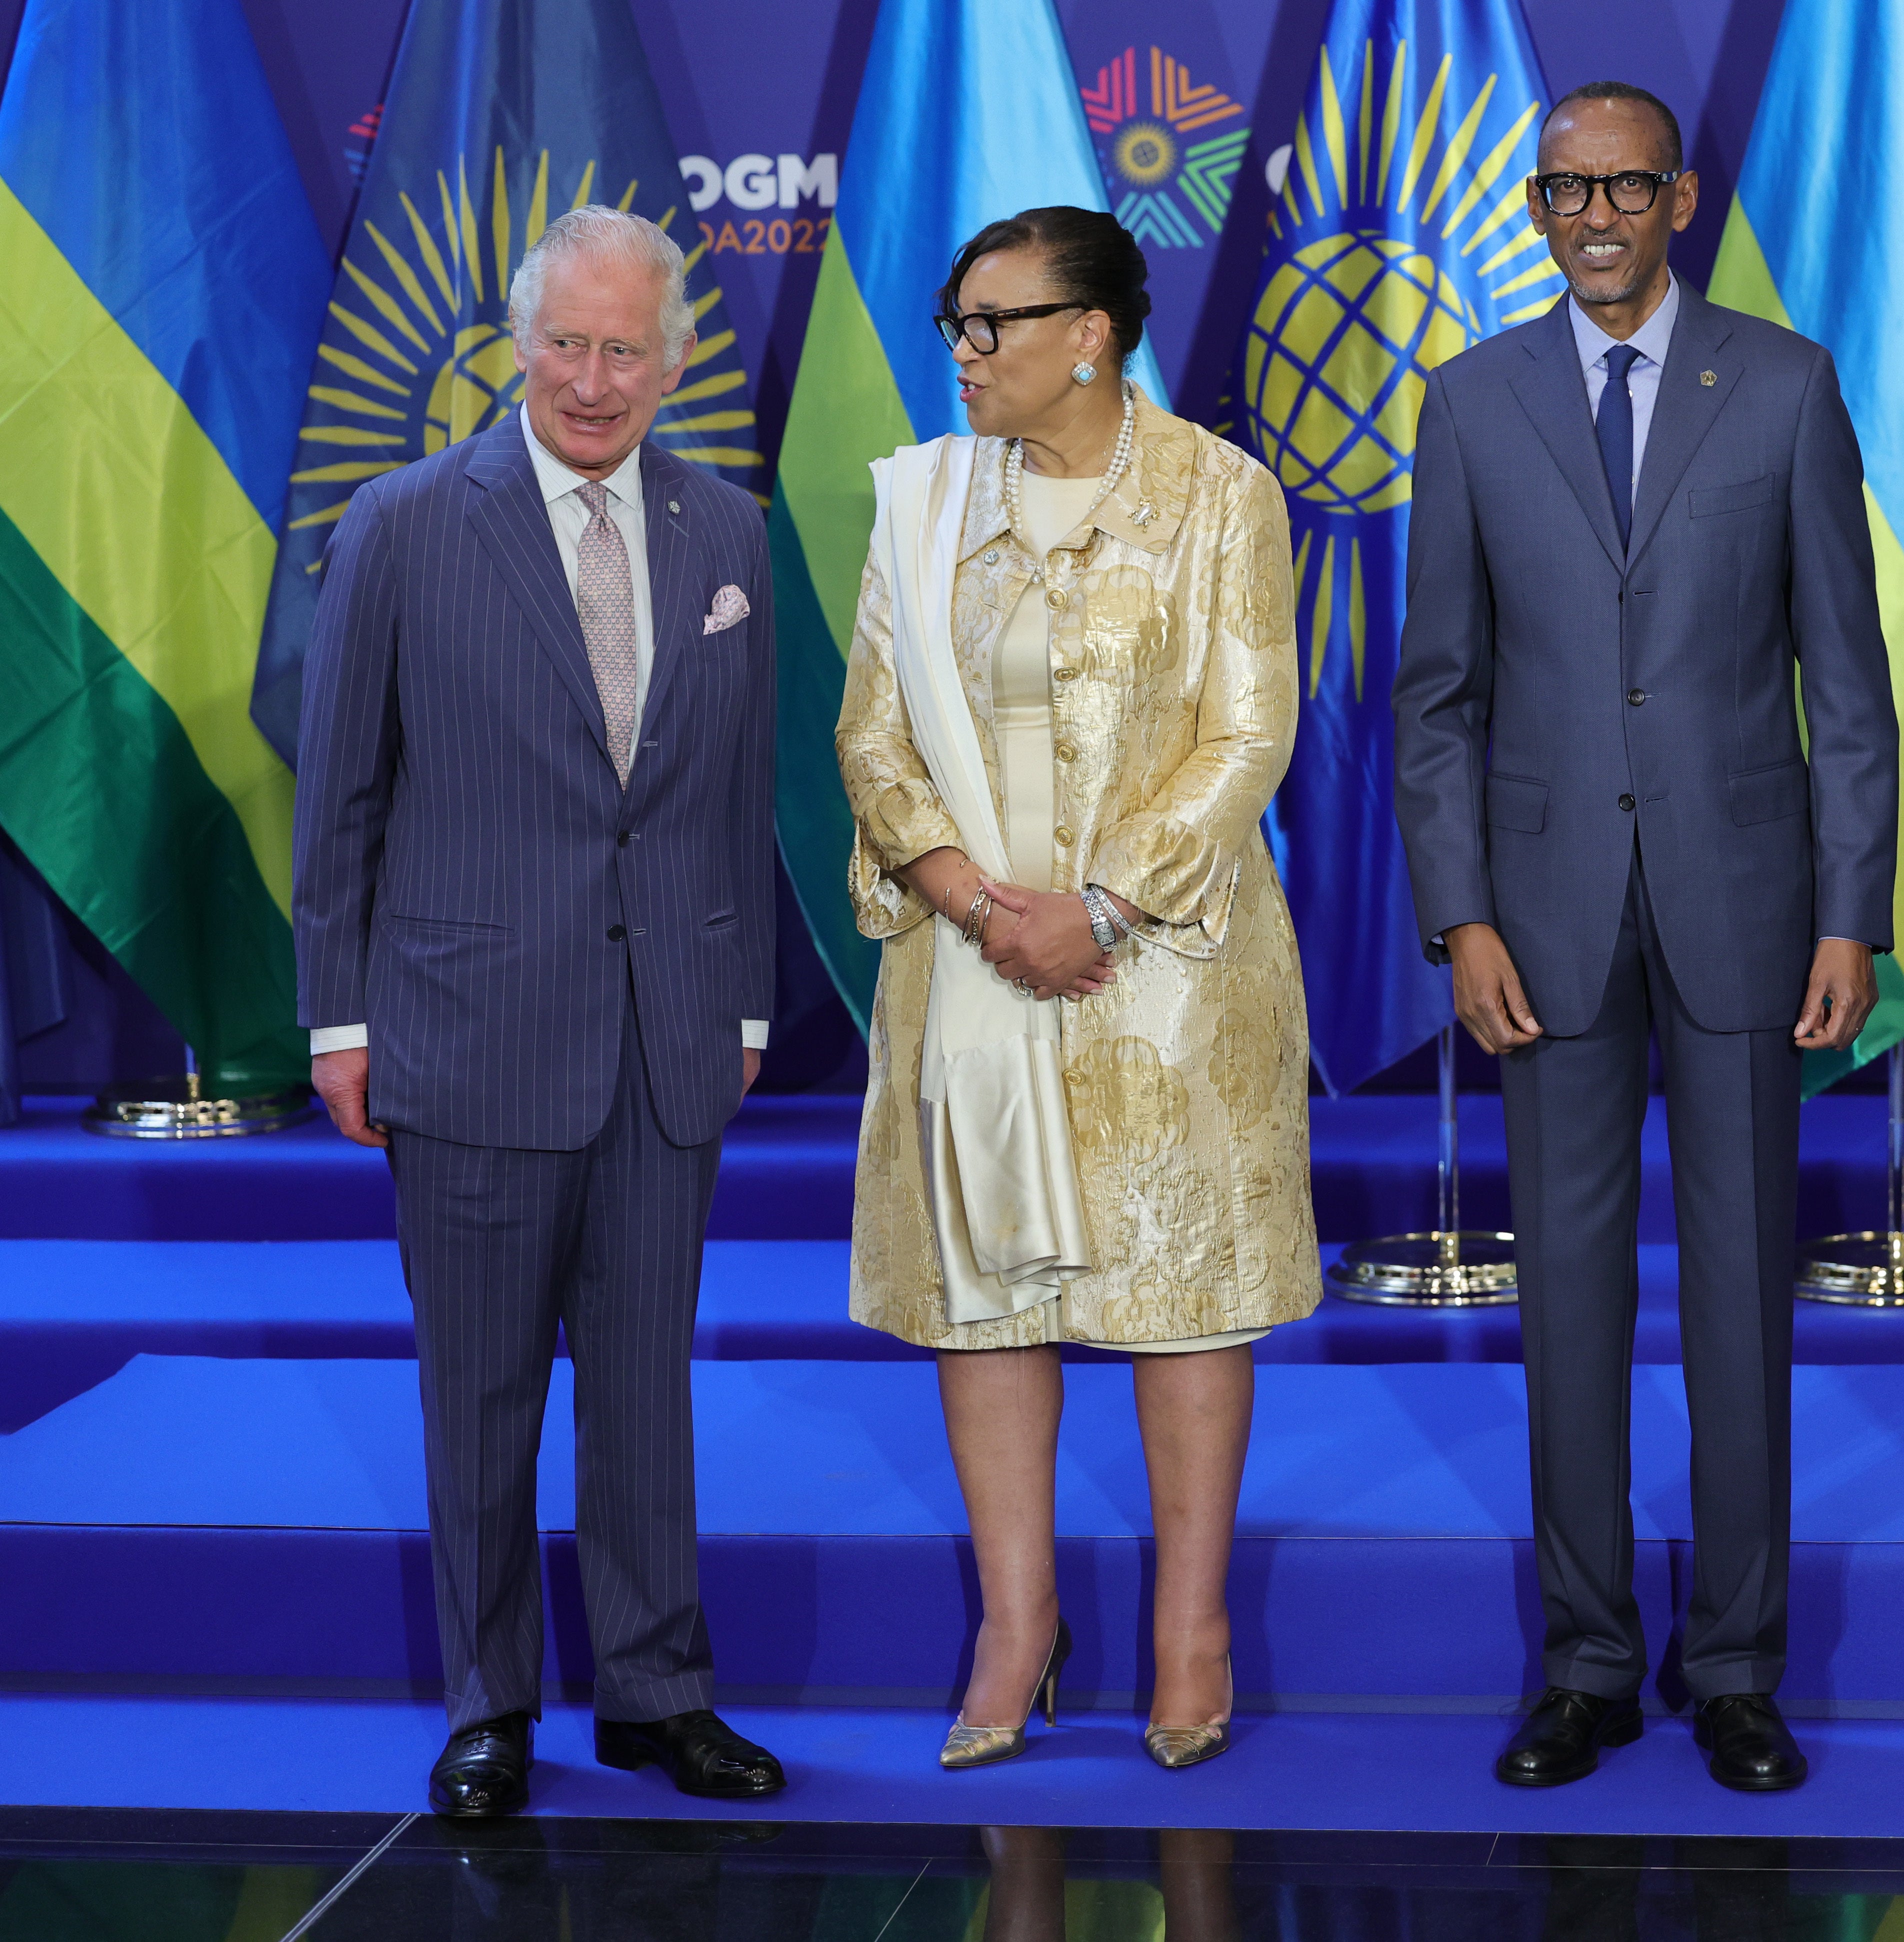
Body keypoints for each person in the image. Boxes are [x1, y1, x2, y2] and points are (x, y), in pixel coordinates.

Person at [1393, 82, 1899, 1794]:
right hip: (1541, 930)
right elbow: (1438, 697)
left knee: (1745, 1306)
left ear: (1677, 198)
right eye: (1562, 190)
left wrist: (1852, 907)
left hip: (1749, 915)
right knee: (1571, 1310)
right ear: (1533, 207)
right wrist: (1459, 913)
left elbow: (1849, 679)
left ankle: (1738, 1664)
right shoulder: (1467, 404)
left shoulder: (1782, 381)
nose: (1592, 213)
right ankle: (1589, 1660)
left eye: (1623, 185)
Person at [292, 204, 786, 1816]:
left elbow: (730, 793)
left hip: (670, 1032)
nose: (592, 378)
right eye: (565, 343)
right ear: (520, 344)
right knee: (482, 1391)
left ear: (676, 356)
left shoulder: (725, 532)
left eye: (624, 347)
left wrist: (749, 1000)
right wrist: (337, 1019)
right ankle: (489, 1705)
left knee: (647, 1387)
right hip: (464, 1027)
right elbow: (341, 795)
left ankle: (656, 1693)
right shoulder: (406, 521)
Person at [836, 206, 1319, 1773]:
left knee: (1181, 1291)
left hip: (1161, 964)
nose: (966, 352)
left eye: (996, 323)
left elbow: (1246, 733)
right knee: (990, 1290)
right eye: (955, 323)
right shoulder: (920, 500)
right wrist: (981, 904)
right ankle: (1015, 1622)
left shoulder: (1219, 494)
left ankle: (1192, 1626)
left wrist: (1099, 904)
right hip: (971, 958)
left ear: (1093, 333)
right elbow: (868, 734)